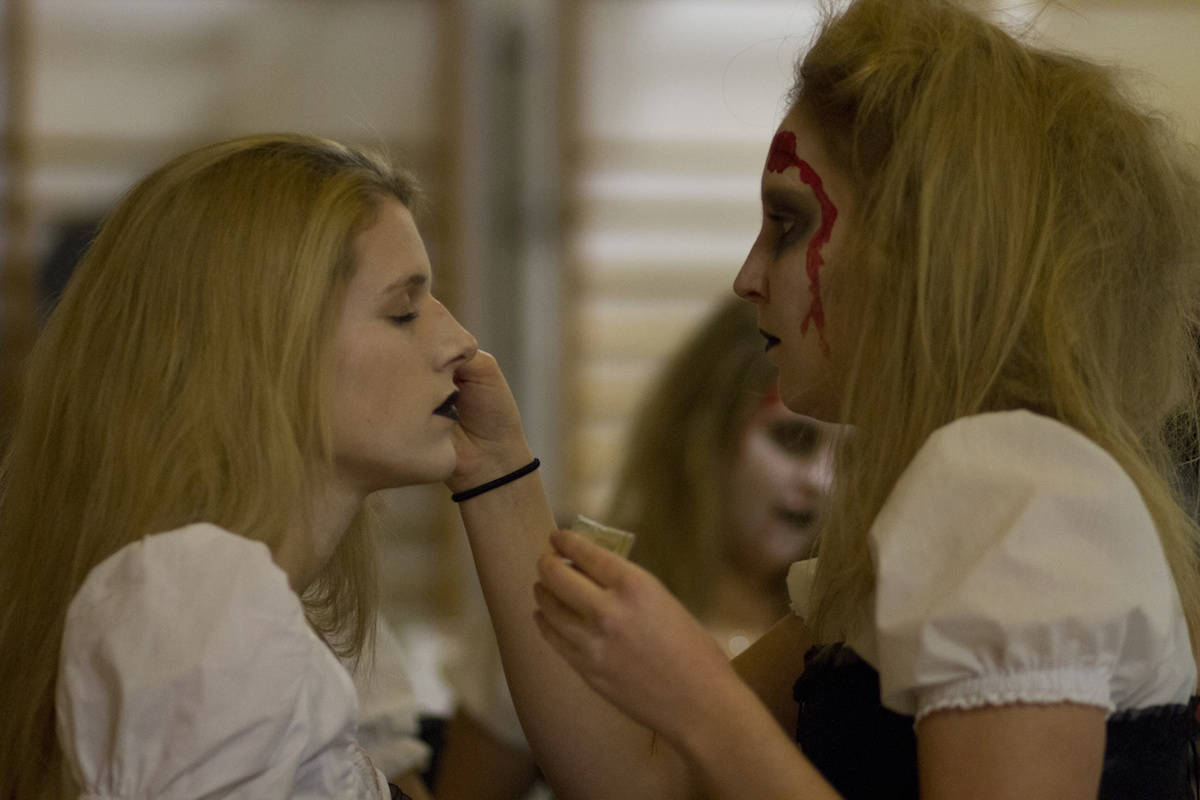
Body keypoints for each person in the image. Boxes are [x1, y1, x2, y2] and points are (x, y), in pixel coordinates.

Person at [450, 0, 1200, 797]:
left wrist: (696, 696)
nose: (747, 277)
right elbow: (645, 781)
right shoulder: (948, 497)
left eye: (789, 224)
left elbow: (683, 758)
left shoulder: (1013, 483)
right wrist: (496, 468)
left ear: (918, 250)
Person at [0, 134, 479, 799]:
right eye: (403, 311)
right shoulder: (203, 598)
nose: (459, 342)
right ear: (266, 349)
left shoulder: (246, 600)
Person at [434, 296, 837, 800]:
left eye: (851, 458)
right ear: (703, 430)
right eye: (793, 438)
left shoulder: (839, 623)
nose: (821, 480)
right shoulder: (581, 589)